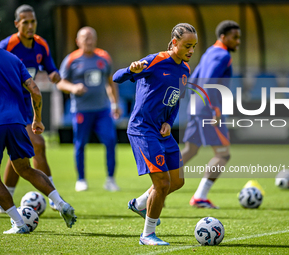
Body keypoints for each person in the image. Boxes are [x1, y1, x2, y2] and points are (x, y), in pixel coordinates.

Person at [0, 13, 76, 234]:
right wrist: (37, 119)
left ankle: (19, 223)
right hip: (18, 121)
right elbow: (35, 91)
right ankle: (61, 203)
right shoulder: (12, 58)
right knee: (25, 168)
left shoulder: (23, 49)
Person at [113, 23, 198, 245]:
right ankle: (147, 235)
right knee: (162, 183)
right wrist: (131, 70)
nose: (191, 50)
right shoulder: (155, 60)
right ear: (174, 43)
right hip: (142, 129)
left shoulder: (185, 70)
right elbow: (116, 77)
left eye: (194, 46)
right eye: (187, 45)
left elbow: (175, 100)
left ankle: (139, 204)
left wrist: (170, 122)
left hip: (162, 131)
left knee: (177, 181)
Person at [0, 4, 61, 212]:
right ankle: (53, 197)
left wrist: (54, 75)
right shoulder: (6, 46)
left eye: (33, 21)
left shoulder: (41, 45)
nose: (31, 26)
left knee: (19, 156)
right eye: (26, 22)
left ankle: (6, 197)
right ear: (17, 24)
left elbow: (51, 69)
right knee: (38, 144)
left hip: (26, 104)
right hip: (8, 104)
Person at [181, 20, 240, 208]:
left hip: (197, 106)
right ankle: (200, 197)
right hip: (209, 109)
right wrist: (215, 109)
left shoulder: (208, 52)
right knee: (223, 155)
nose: (238, 41)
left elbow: (195, 78)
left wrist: (194, 103)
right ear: (223, 37)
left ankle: (157, 188)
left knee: (190, 150)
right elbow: (209, 82)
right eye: (235, 37)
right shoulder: (223, 55)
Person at [57, 27, 120, 192]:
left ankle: (111, 179)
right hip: (81, 110)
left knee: (111, 140)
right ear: (78, 41)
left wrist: (114, 104)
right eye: (85, 38)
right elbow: (60, 82)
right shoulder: (71, 59)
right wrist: (73, 87)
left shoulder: (104, 57)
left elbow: (110, 83)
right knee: (80, 144)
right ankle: (81, 179)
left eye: (92, 37)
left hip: (102, 110)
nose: (89, 41)